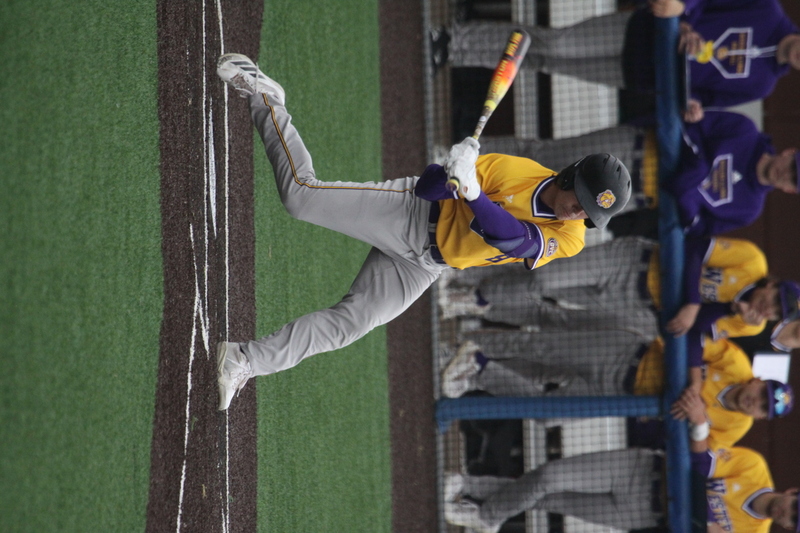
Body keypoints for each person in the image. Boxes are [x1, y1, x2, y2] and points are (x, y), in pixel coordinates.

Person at [212, 53, 632, 410]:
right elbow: (429, 187)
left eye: (588, 213)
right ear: (572, 176)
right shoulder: (511, 171)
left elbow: (511, 239)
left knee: (348, 325)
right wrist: (452, 170)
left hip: (426, 265)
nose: (578, 213)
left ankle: (243, 360)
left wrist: (471, 191)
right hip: (412, 212)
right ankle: (267, 98)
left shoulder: (572, 238)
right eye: (580, 200)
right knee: (300, 196)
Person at [436, 0, 800, 121]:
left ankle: (458, 56)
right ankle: (453, 40)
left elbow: (708, 100)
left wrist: (694, 107)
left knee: (543, 62)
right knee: (556, 43)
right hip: (643, 32)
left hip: (640, 76)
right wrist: (685, 17)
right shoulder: (767, 9)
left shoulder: (763, 84)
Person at [479, 110, 800, 238]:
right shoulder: (745, 131)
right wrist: (689, 180)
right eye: (792, 167)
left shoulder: (749, 209)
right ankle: (473, 156)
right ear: (788, 153)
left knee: (550, 214)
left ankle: (478, 227)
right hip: (630, 150)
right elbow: (688, 125)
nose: (786, 174)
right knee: (541, 155)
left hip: (633, 196)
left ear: (789, 190)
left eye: (792, 180)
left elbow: (692, 224)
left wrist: (691, 172)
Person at [441, 334, 794, 446]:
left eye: (763, 408)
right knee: (540, 347)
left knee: (546, 415)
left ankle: (477, 365)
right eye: (763, 394)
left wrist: (700, 421)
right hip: (626, 355)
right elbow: (694, 339)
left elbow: (701, 451)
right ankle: (459, 341)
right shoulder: (737, 364)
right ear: (758, 381)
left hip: (622, 400)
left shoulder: (737, 427)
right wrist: (696, 384)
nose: (756, 402)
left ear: (760, 417)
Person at [675, 388, 800, 533]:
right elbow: (700, 463)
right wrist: (708, 523)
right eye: (794, 506)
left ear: (788, 527)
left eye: (794, 519)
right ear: (792, 492)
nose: (787, 513)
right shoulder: (754, 466)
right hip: (659, 476)